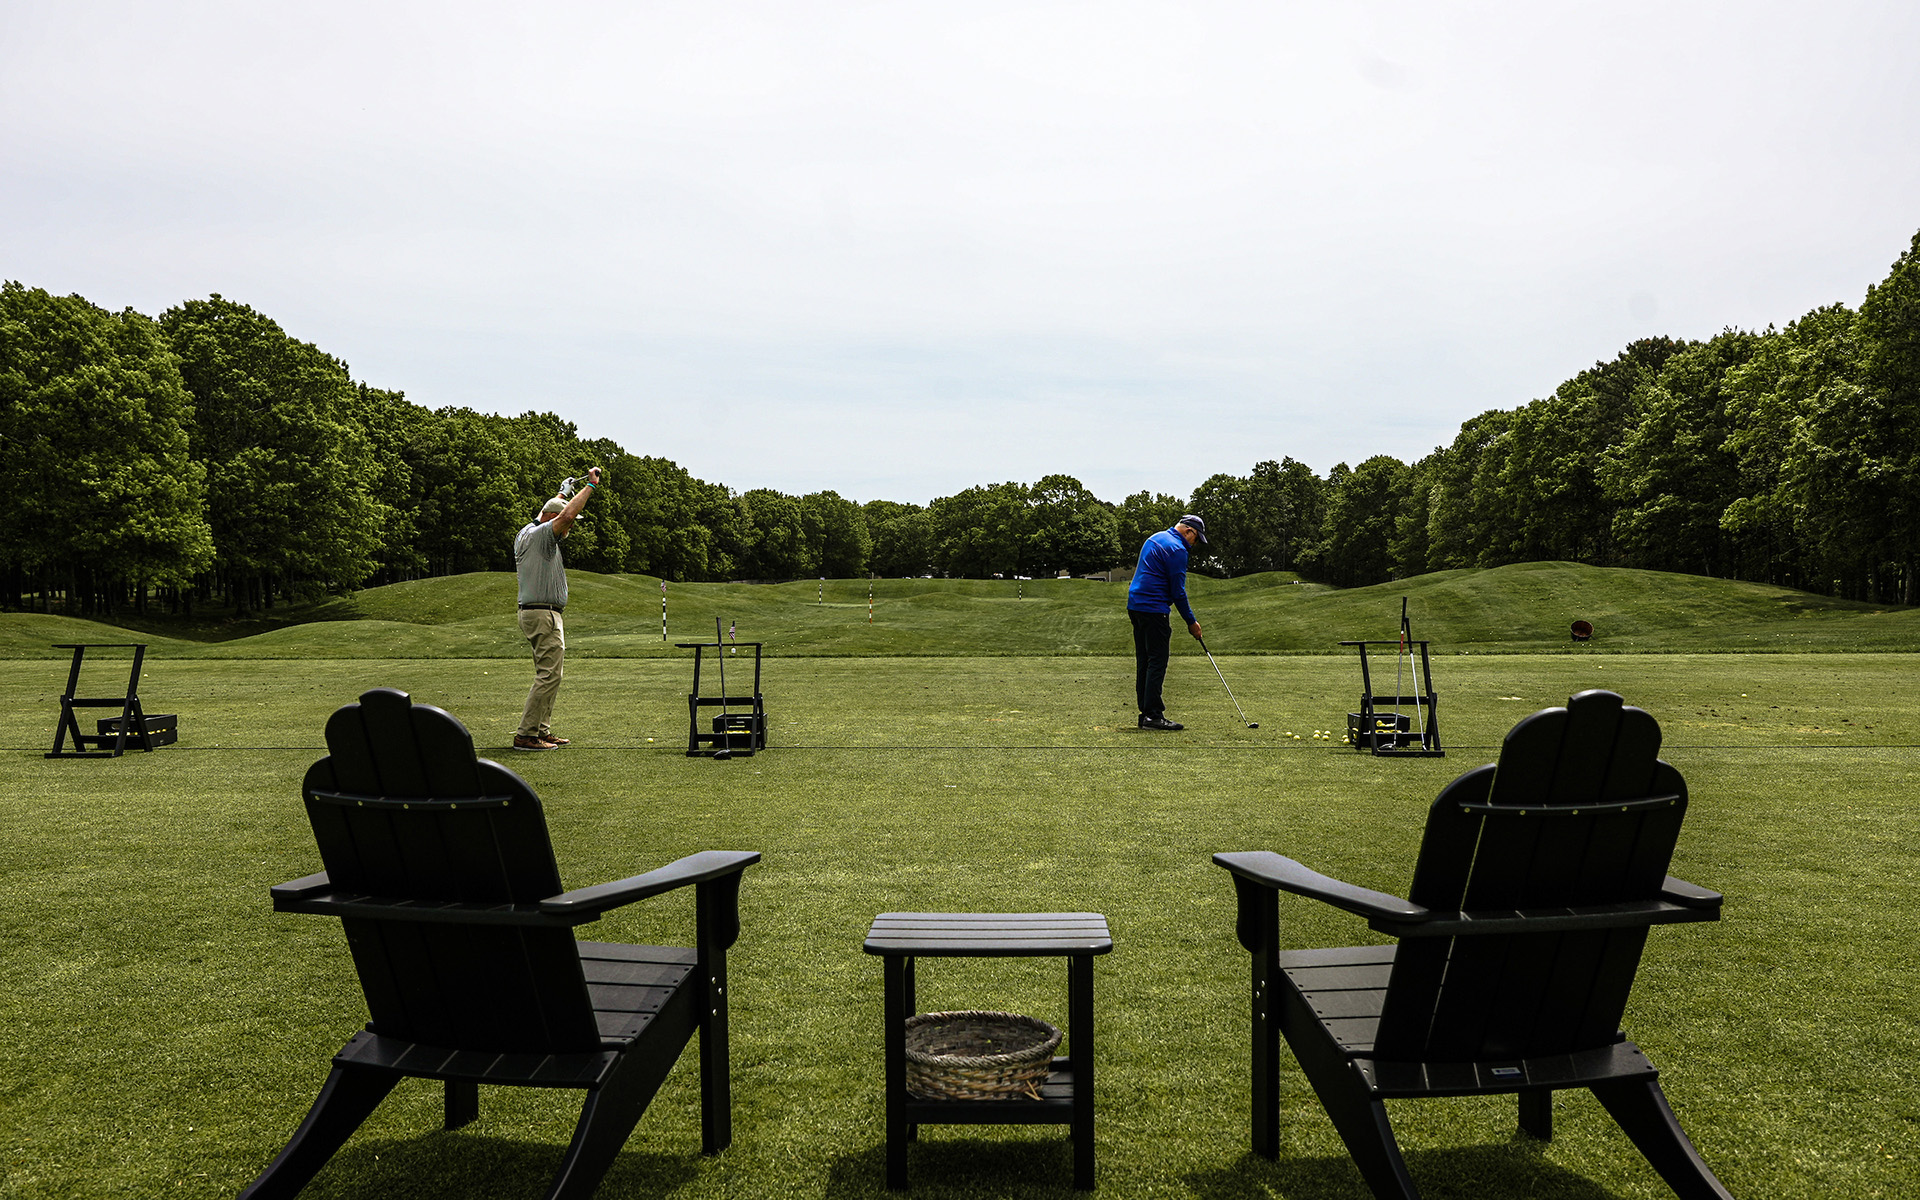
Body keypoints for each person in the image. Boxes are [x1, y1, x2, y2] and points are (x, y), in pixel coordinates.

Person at [512, 466, 600, 750]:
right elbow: (566, 515)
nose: (570, 528)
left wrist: (563, 492)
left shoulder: (527, 531)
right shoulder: (543, 536)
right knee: (549, 675)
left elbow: (551, 510)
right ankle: (527, 735)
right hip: (544, 613)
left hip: (536, 612)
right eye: (564, 524)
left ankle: (540, 730)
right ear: (551, 519)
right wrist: (591, 486)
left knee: (550, 674)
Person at [1126, 514, 1206, 730]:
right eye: (1196, 539)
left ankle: (1146, 714)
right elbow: (1178, 592)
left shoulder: (1155, 537)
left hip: (1135, 606)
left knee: (1145, 661)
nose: (1194, 544)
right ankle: (1153, 716)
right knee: (1157, 661)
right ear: (1189, 531)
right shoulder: (1177, 549)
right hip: (1154, 609)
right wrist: (1191, 622)